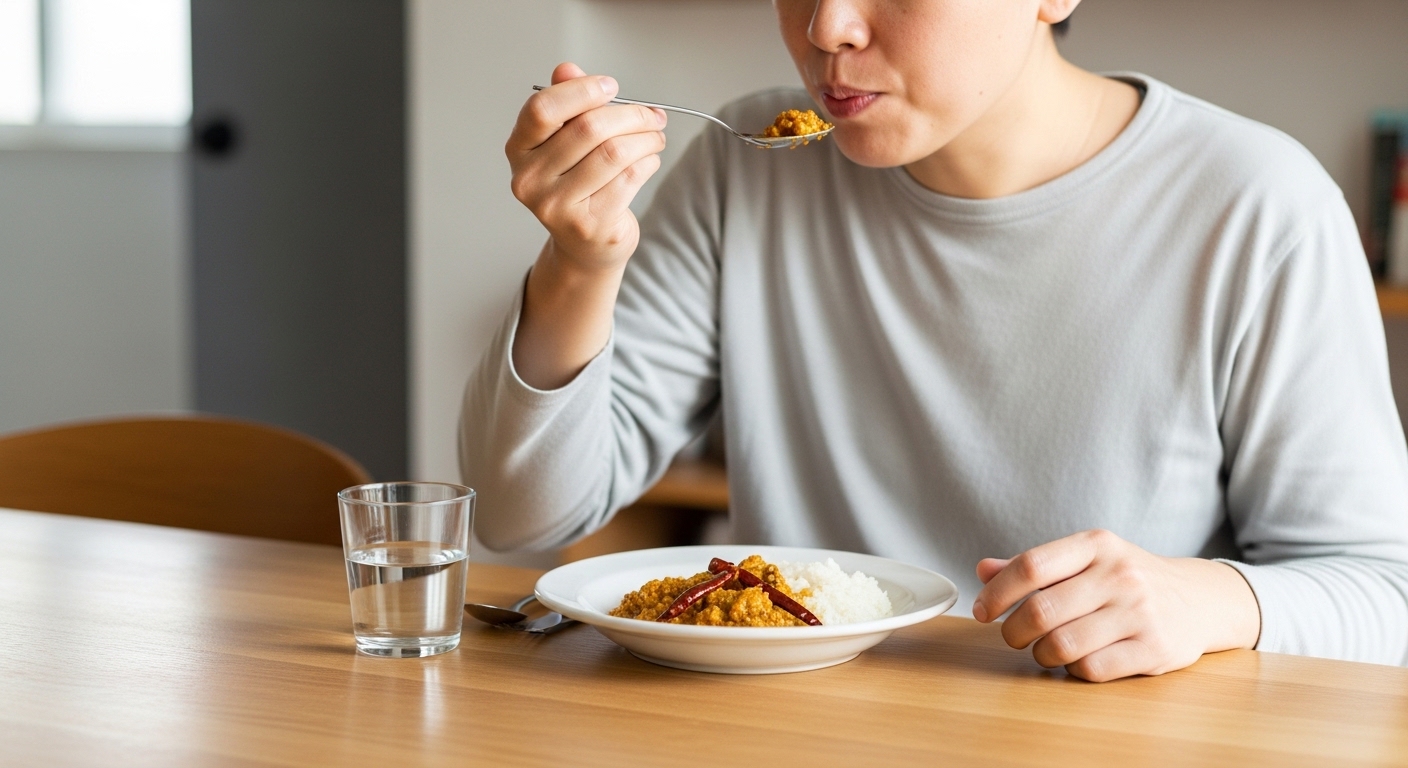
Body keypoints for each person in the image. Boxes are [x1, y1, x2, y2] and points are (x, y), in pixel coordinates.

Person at [461, 0, 1408, 680]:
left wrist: (1217, 603)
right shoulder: (746, 166)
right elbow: (524, 515)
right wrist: (581, 264)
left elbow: (1386, 596)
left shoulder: (1258, 208)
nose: (827, 25)